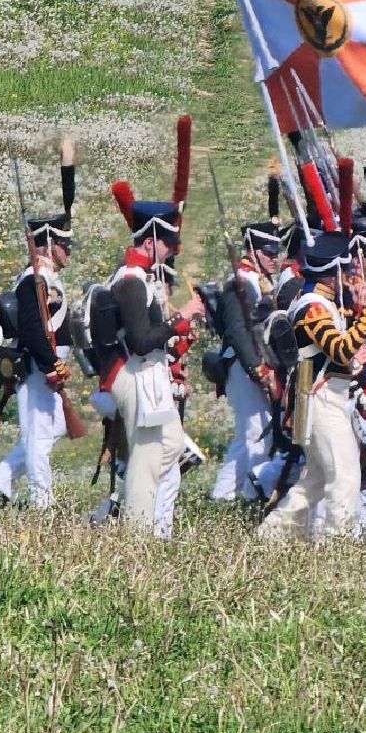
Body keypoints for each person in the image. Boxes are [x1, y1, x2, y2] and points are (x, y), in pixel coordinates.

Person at [258, 231, 366, 541]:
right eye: (347, 270)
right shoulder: (313, 306)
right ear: (334, 271)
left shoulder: (325, 304)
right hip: (320, 398)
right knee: (346, 476)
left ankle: (270, 537)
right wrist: (364, 316)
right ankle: (337, 547)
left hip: (330, 396)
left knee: (312, 483)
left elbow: (343, 352)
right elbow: (338, 349)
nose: (351, 275)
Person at [105, 195, 204, 534]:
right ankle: (136, 532)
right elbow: (140, 341)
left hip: (146, 373)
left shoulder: (143, 278)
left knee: (172, 445)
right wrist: (182, 320)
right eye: (168, 243)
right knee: (146, 461)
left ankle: (135, 510)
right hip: (132, 373)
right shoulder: (130, 281)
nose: (173, 250)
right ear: (150, 241)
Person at [0, 214, 76, 510]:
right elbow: (32, 331)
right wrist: (51, 365)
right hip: (39, 365)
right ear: (48, 246)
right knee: (38, 436)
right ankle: (41, 500)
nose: (69, 250)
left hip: (46, 364)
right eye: (65, 244)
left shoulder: (47, 280)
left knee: (55, 427)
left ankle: (1, 479)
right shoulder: (32, 281)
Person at [211, 221, 280, 502]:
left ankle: (229, 494)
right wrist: (257, 368)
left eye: (276, 252)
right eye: (268, 253)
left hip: (254, 364)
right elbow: (238, 333)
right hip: (243, 365)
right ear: (252, 251)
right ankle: (241, 495)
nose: (274, 258)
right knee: (253, 431)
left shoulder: (257, 282)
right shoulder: (239, 283)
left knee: (257, 431)